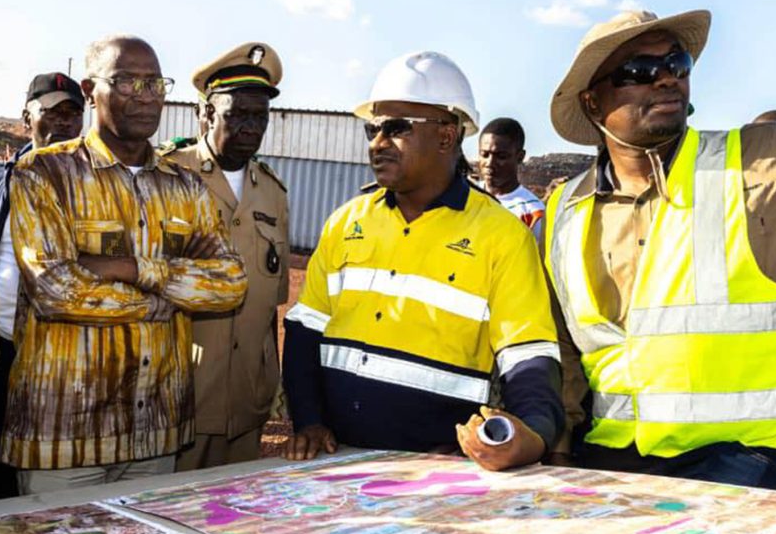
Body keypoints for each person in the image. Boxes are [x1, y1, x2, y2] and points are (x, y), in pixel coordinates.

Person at [536, 8, 776, 490]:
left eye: (677, 65)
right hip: (614, 461)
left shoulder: (768, 163)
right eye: (640, 71)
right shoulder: (562, 211)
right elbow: (565, 351)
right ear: (593, 104)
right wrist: (556, 447)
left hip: (760, 461)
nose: (667, 81)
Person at [283, 51, 563, 468]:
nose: (378, 144)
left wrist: (534, 431)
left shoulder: (502, 237)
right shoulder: (345, 223)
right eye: (372, 129)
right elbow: (305, 330)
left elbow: (527, 355)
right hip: (335, 459)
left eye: (395, 129)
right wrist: (308, 421)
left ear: (447, 136)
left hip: (437, 471)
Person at [4, 34, 246, 492]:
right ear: (89, 90)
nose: (145, 96)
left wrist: (136, 270)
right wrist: (166, 301)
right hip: (64, 436)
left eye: (154, 83)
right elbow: (56, 290)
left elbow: (231, 283)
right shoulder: (44, 173)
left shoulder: (186, 187)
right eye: (127, 82)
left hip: (156, 434)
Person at [162, 42, 290, 469]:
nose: (252, 127)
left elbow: (271, 302)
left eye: (261, 117)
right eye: (238, 114)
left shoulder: (273, 192)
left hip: (245, 401)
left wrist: (268, 383)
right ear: (206, 115)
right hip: (180, 397)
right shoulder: (167, 175)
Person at [0, 72, 86, 498]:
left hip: (61, 352)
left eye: (73, 114)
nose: (63, 123)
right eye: (51, 112)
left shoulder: (98, 186)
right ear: (27, 118)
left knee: (47, 465)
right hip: (0, 348)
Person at [477, 117, 545, 241]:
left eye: (501, 156)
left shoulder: (533, 213)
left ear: (520, 157)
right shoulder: (465, 196)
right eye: (484, 155)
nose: (490, 163)